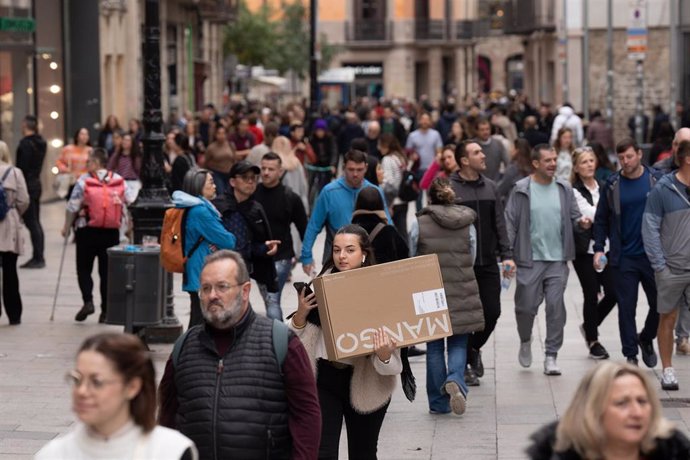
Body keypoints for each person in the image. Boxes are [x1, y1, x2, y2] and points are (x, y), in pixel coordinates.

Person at [159, 250, 321, 459]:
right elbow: (166, 418)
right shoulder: (185, 347)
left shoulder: (282, 343)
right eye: (206, 288)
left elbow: (307, 417)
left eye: (222, 286)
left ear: (245, 291)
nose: (212, 295)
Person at [289, 225, 401, 459]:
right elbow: (294, 343)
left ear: (363, 254)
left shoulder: (382, 292)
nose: (341, 256)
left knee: (363, 453)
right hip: (324, 380)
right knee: (323, 453)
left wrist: (383, 353)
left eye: (350, 250)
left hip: (366, 381)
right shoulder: (319, 287)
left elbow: (394, 363)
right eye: (337, 249)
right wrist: (300, 315)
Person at [35, 332, 197, 459]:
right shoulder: (52, 454)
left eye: (96, 382)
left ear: (132, 387)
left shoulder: (172, 451)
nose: (81, 391)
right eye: (76, 379)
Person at [505, 144, 587, 375]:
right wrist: (507, 255)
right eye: (548, 160)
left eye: (554, 160)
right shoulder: (521, 189)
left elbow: (574, 216)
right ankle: (525, 339)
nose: (553, 164)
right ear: (536, 164)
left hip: (558, 260)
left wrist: (581, 223)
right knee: (525, 308)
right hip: (528, 260)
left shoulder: (564, 188)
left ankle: (551, 355)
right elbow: (510, 222)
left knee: (555, 307)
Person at [526, 361, 690, 460]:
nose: (637, 413)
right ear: (593, 410)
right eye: (622, 403)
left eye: (642, 401)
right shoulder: (558, 453)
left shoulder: (675, 452)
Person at [450, 140, 515, 385]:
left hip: (488, 262)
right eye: (477, 152)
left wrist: (507, 255)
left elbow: (499, 223)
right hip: (461, 265)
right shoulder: (450, 188)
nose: (483, 155)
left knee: (492, 311)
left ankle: (475, 348)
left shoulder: (491, 186)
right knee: (466, 317)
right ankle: (465, 363)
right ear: (465, 160)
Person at [416, 179, 483, 414]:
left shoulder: (420, 223)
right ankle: (455, 378)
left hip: (429, 290)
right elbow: (472, 255)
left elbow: (412, 256)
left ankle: (438, 402)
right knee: (458, 342)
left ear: (430, 198)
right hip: (461, 287)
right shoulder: (467, 222)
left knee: (434, 347)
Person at [593, 138, 661, 367]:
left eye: (629, 156)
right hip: (624, 258)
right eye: (621, 158)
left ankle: (646, 337)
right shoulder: (612, 185)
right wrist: (599, 249)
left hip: (653, 256)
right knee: (626, 307)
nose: (625, 161)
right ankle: (630, 355)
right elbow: (601, 220)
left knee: (661, 304)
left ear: (640, 154)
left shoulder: (656, 181)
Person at [62, 148, 132, 323]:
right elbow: (130, 202)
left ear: (96, 162)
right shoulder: (119, 180)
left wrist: (66, 226)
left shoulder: (84, 181)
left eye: (89, 162)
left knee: (84, 268)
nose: (87, 165)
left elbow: (72, 206)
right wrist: (129, 226)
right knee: (106, 272)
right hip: (111, 233)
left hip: (87, 231)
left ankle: (88, 301)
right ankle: (105, 312)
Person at [642, 139, 690, 391]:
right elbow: (649, 227)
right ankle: (668, 370)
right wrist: (660, 265)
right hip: (672, 267)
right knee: (667, 317)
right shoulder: (664, 188)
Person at [301, 149, 389, 273]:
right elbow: (314, 226)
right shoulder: (329, 192)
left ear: (366, 168)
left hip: (367, 262)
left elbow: (387, 224)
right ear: (343, 168)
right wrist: (306, 256)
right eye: (351, 169)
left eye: (359, 170)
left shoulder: (374, 191)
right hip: (335, 262)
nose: (355, 174)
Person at [172, 168, 236, 327]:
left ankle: (190, 350)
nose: (214, 186)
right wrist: (231, 236)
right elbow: (228, 241)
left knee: (200, 318)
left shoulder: (195, 207)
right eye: (210, 183)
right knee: (199, 321)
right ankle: (188, 351)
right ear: (198, 186)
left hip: (198, 269)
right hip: (200, 271)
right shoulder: (200, 211)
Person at [214, 161, 281, 312]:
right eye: (245, 177)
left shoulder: (255, 209)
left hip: (244, 271)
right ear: (232, 181)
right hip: (219, 270)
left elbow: (251, 246)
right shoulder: (218, 207)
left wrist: (266, 247)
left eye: (253, 178)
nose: (250, 181)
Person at [570, 147, 617, 360]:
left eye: (591, 160)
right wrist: (604, 215)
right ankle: (593, 340)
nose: (589, 164)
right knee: (590, 294)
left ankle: (589, 324)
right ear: (576, 167)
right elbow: (594, 214)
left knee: (614, 292)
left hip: (606, 247)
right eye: (584, 162)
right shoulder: (574, 191)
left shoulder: (604, 187)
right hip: (584, 251)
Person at [253, 152, 308, 321]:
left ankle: (277, 339)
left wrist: (306, 257)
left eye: (271, 169)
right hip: (257, 256)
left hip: (281, 257)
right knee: (269, 300)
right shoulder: (253, 194)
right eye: (263, 168)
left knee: (272, 299)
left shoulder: (290, 197)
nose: (266, 172)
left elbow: (303, 228)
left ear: (280, 171)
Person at [0, 141, 29, 326]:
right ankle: (14, 314)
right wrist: (15, 212)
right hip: (8, 224)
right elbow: (24, 200)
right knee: (10, 271)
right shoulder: (14, 172)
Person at [16, 114, 46, 269]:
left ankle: (38, 257)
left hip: (27, 186)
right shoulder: (41, 142)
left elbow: (22, 167)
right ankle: (39, 255)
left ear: (26, 125)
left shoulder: (25, 144)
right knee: (35, 221)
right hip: (36, 183)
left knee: (32, 222)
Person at [351, 186, 408, 264]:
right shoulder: (389, 231)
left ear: (357, 205)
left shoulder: (349, 232)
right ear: (381, 205)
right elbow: (405, 256)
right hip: (385, 275)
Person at [405, 112, 443, 209]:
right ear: (419, 121)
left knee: (432, 196)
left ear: (430, 121)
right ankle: (420, 218)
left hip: (432, 170)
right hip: (418, 170)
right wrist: (412, 156)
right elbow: (408, 152)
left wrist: (438, 161)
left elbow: (439, 150)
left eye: (427, 119)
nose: (425, 121)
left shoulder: (435, 134)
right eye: (423, 119)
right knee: (418, 197)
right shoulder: (413, 135)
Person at [378, 133, 409, 240]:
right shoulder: (400, 157)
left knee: (393, 236)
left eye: (380, 144)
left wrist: (388, 204)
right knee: (403, 233)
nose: (378, 148)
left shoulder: (387, 160)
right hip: (403, 200)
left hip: (393, 203)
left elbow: (388, 184)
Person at [272, 136, 309, 210]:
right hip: (297, 203)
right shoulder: (296, 162)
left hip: (280, 205)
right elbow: (303, 185)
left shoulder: (273, 164)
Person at [307, 119, 338, 207]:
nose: (319, 133)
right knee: (312, 184)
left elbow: (334, 152)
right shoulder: (312, 139)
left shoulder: (330, 139)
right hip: (315, 165)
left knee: (326, 185)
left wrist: (333, 165)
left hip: (326, 166)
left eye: (321, 130)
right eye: (318, 130)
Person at [56, 127, 93, 199]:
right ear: (77, 136)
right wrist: (65, 169)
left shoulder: (90, 150)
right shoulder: (68, 149)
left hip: (85, 182)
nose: (84, 136)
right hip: (71, 181)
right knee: (72, 204)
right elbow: (59, 161)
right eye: (82, 134)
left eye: (86, 134)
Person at [473, 117, 510, 182]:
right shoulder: (472, 145)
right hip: (477, 182)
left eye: (487, 129)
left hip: (495, 182)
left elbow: (507, 163)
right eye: (482, 130)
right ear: (477, 131)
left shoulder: (498, 144)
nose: (485, 132)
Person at [497, 137, 533, 202]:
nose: (510, 150)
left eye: (512, 148)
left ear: (517, 150)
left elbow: (503, 187)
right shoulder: (532, 165)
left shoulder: (513, 167)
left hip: (514, 203)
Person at [204, 125, 235, 195]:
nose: (221, 136)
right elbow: (206, 162)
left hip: (229, 173)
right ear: (216, 134)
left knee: (229, 193)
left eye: (223, 133)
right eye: (219, 133)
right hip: (217, 173)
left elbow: (234, 158)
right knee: (221, 192)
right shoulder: (211, 148)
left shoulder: (230, 145)